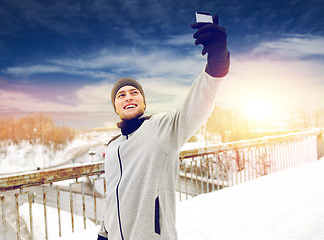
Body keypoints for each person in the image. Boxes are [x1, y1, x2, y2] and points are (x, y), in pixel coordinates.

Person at [98, 14, 230, 240]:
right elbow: (113, 196)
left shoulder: (161, 128)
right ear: (115, 107)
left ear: (143, 102)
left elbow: (197, 105)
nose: (128, 97)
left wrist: (217, 61)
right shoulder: (112, 147)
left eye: (134, 92)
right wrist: (104, 233)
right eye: (121, 95)